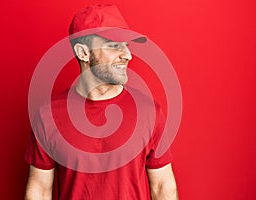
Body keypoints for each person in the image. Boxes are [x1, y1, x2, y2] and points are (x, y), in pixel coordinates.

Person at [25, 4, 178, 200]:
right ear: (84, 53)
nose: (128, 55)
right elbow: (39, 189)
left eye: (127, 46)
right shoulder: (48, 116)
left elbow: (163, 186)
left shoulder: (149, 112)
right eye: (115, 46)